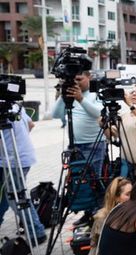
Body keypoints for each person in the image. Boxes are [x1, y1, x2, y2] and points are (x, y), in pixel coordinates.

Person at [52, 71, 105, 225]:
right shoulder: (70, 95)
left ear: (89, 77)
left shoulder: (95, 93)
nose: (76, 83)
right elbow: (56, 114)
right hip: (75, 145)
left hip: (93, 144)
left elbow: (99, 113)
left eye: (79, 79)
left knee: (93, 181)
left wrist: (81, 99)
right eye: (73, 79)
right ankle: (88, 214)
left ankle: (95, 216)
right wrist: (63, 96)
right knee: (78, 181)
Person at [0, 104, 47, 244]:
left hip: (13, 160)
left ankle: (37, 232)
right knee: (8, 195)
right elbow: (30, 124)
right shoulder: (13, 104)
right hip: (19, 156)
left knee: (16, 197)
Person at [80, 177, 132, 255]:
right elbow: (94, 243)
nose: (132, 197)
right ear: (116, 198)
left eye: (133, 193)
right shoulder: (102, 218)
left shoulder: (130, 212)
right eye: (128, 194)